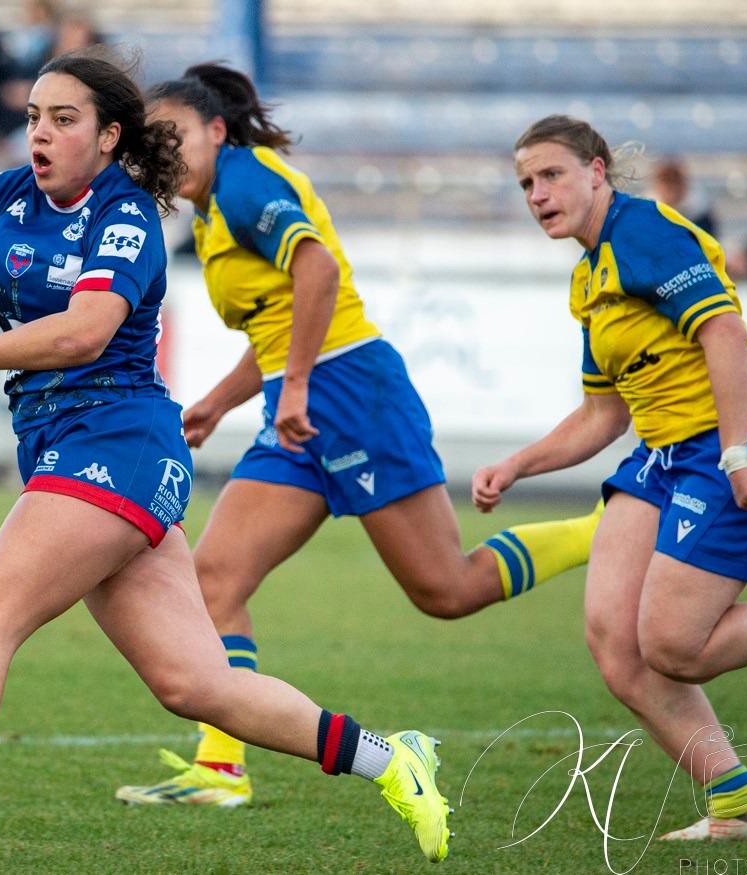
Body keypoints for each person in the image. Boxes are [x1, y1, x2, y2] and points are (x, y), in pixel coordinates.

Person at [0, 48, 452, 873]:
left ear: (109, 136)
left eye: (64, 119)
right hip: (65, 450)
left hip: (119, 444)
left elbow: (85, 331)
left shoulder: (129, 213)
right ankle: (396, 759)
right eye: (34, 116)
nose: (41, 133)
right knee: (196, 684)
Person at [115, 63, 602, 808]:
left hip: (351, 392)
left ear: (216, 131)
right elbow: (278, 324)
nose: (166, 152)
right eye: (154, 142)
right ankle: (220, 769)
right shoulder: (214, 208)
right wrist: (217, 403)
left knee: (446, 588)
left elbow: (317, 272)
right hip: (303, 402)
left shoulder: (245, 185)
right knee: (214, 580)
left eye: (175, 135)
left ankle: (604, 529)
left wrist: (300, 383)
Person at [474, 113, 747, 842]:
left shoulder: (644, 233)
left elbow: (723, 331)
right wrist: (518, 463)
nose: (537, 193)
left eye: (552, 174)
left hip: (729, 445)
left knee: (673, 645)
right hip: (662, 457)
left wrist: (736, 452)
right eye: (526, 182)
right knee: (615, 646)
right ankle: (742, 806)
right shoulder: (589, 275)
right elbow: (602, 416)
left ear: (597, 171)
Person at [647, 157, 716, 238]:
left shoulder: (700, 214)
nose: (670, 188)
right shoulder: (647, 212)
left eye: (674, 181)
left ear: (684, 184)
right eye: (665, 181)